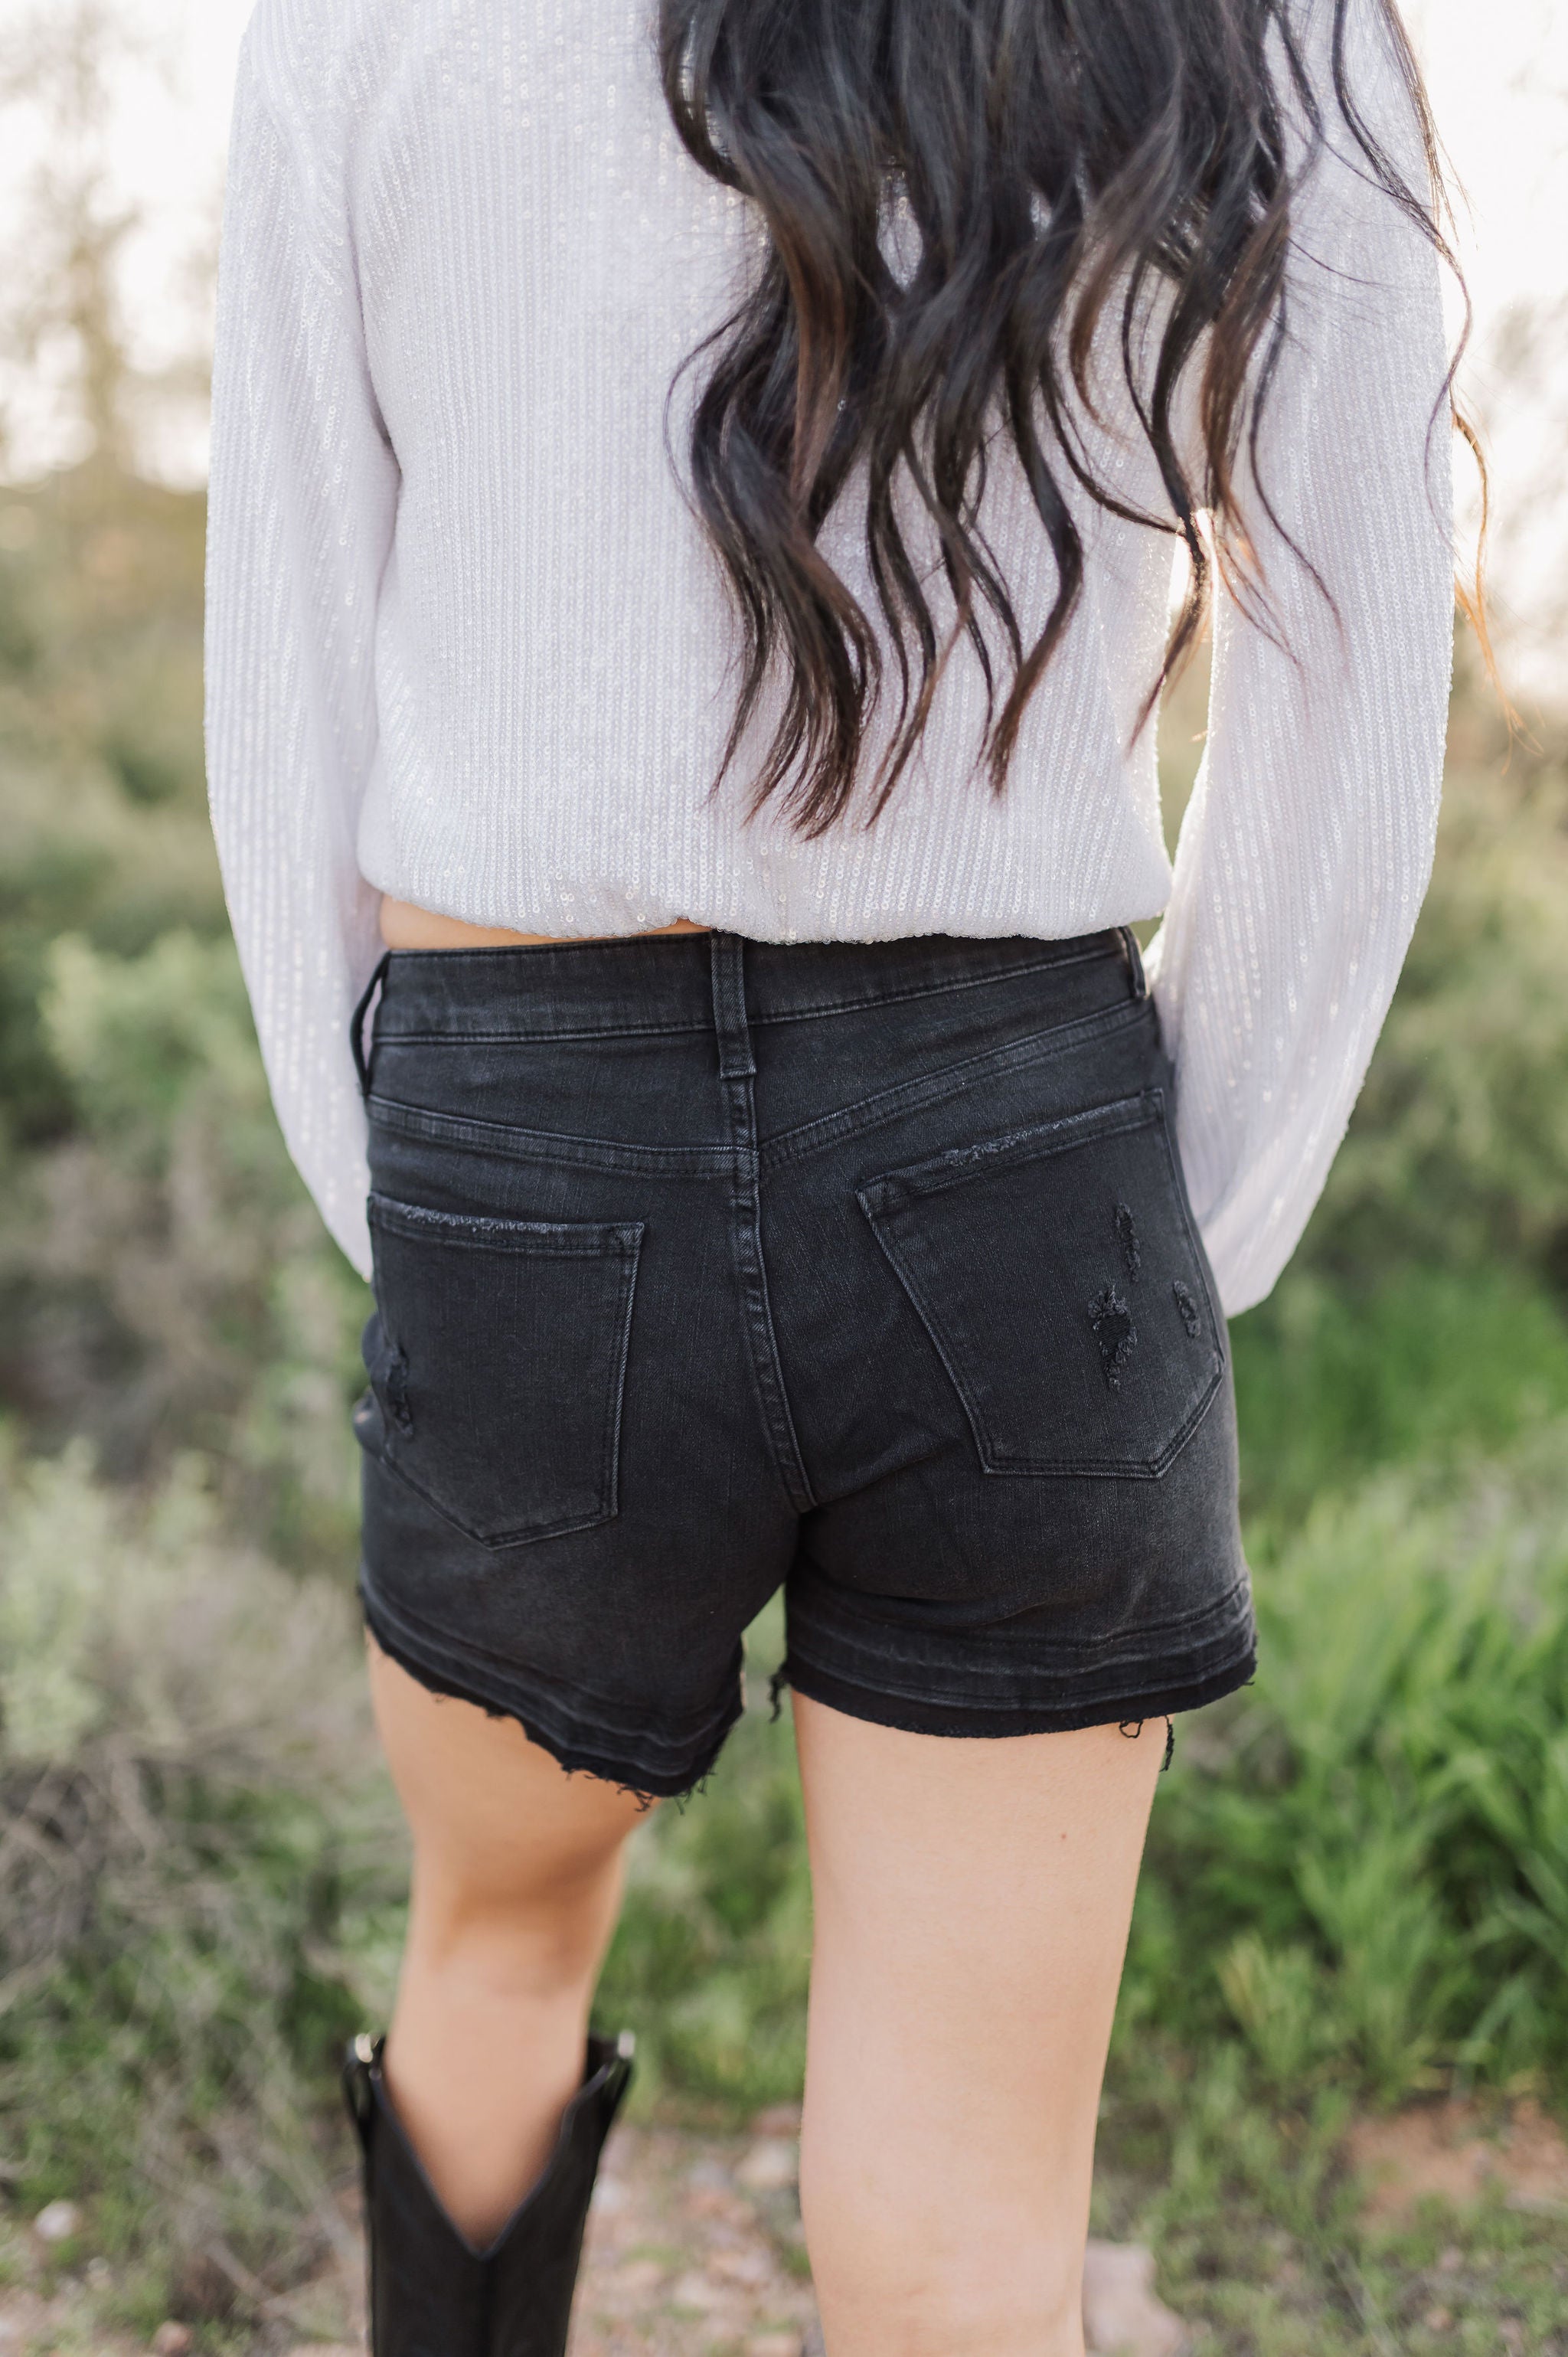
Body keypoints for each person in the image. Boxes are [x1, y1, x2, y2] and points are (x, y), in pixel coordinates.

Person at [204, 0, 1459, 2346]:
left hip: (525, 1121)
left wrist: (420, 1195)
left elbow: (286, 657)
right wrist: (1189, 1209)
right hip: (1026, 1140)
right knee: (977, 2218)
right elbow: (1355, 674)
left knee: (493, 1944)